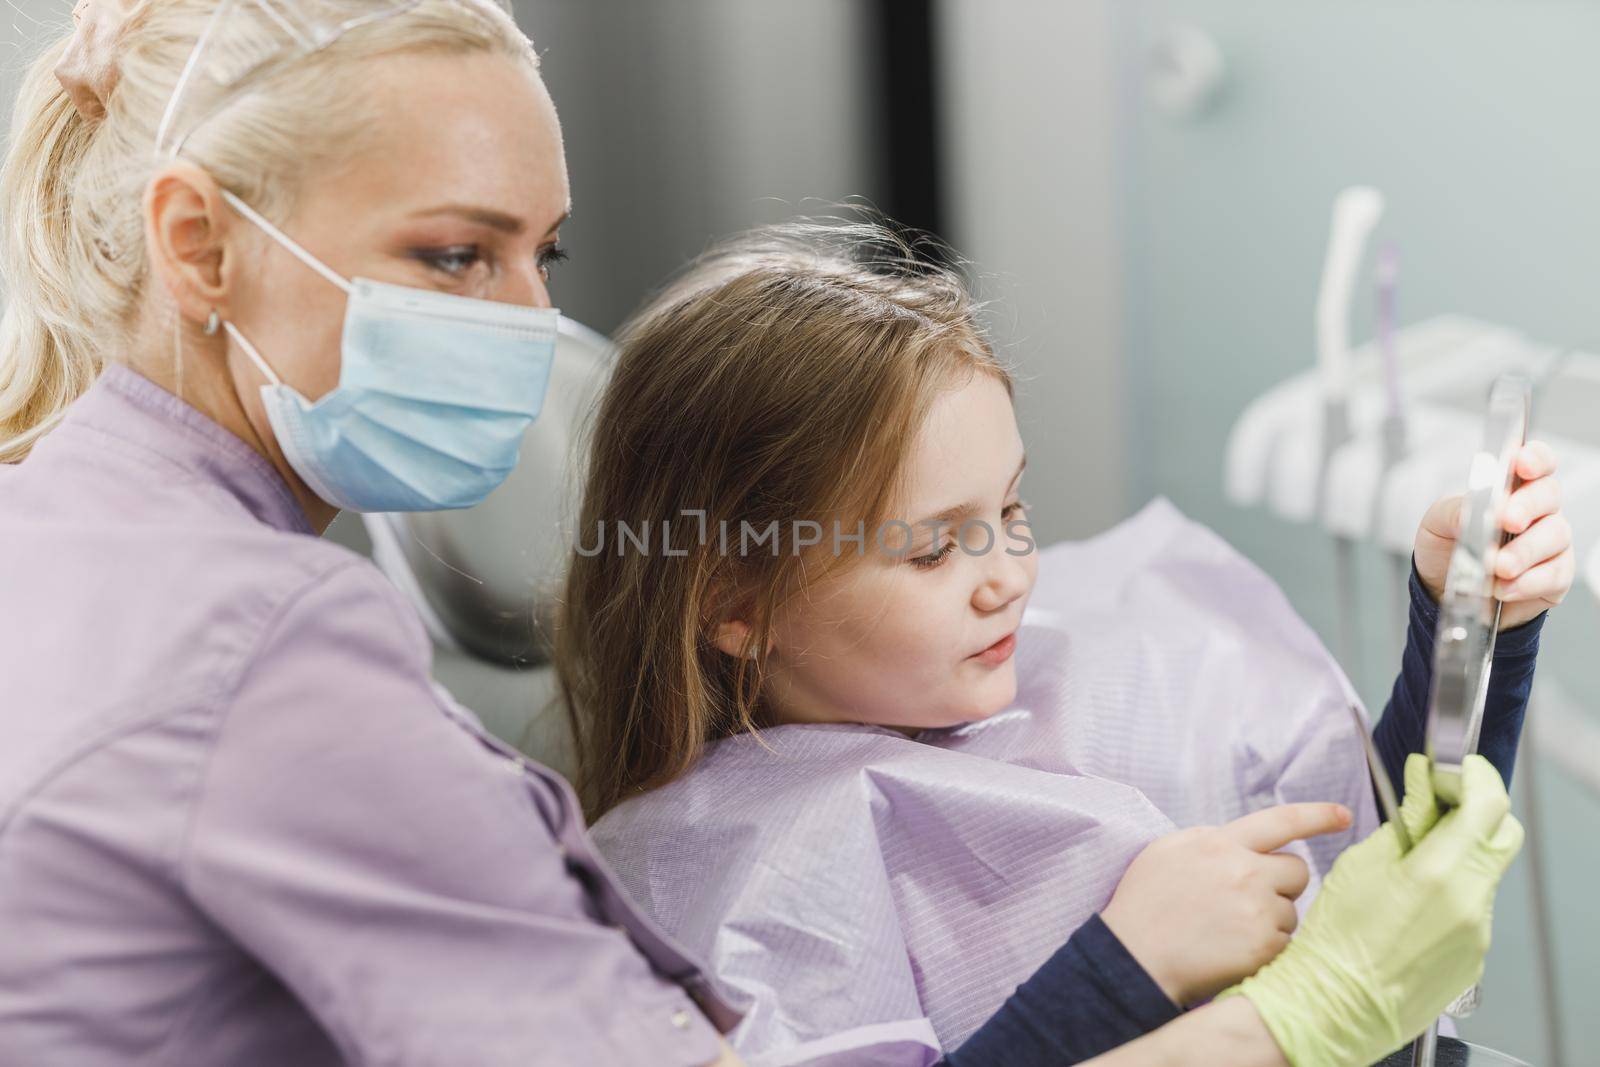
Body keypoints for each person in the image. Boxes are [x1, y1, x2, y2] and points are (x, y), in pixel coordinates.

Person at [0, 2, 1552, 1066]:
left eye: (544, 253)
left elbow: (1405, 854)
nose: (533, 324)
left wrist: (1472, 624)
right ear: (198, 243)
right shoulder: (292, 661)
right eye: (455, 255)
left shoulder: (75, 526)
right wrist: (1265, 1003)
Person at [559, 220, 1570, 1064]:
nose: (1005, 571)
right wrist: (1124, 967)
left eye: (1008, 508)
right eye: (931, 550)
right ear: (737, 601)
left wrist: (1469, 627)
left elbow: (1383, 858)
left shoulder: (1075, 668)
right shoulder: (719, 885)